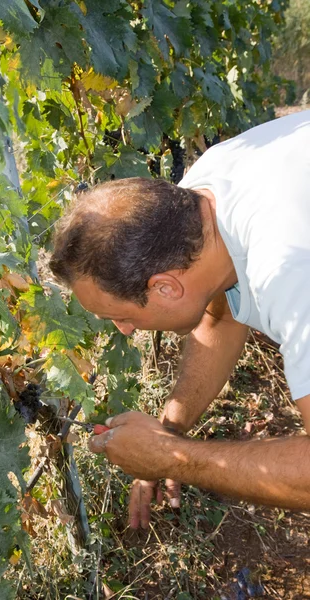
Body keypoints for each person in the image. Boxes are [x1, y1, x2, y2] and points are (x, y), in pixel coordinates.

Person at [49, 110, 310, 529]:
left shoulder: (290, 272)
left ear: (165, 288)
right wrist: (168, 432)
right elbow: (222, 313)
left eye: (122, 317)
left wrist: (176, 459)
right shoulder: (197, 201)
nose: (125, 330)